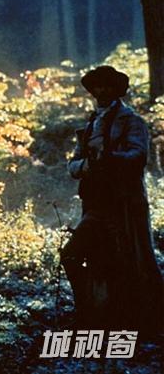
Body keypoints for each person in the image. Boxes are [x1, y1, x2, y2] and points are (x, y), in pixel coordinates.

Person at [62, 65, 163, 335]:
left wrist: (109, 160)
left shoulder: (132, 121)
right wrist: (89, 166)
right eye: (97, 86)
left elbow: (138, 156)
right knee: (73, 255)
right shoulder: (90, 125)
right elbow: (73, 165)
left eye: (107, 86)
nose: (101, 91)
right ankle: (88, 312)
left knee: (128, 262)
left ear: (117, 90)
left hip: (124, 204)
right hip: (95, 205)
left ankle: (132, 319)